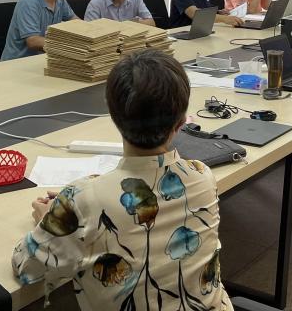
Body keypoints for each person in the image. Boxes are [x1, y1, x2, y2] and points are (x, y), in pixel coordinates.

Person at [12, 49, 232, 311]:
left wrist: (52, 221)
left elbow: (26, 267)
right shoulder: (203, 176)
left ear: (113, 116)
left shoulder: (83, 199)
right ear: (181, 123)